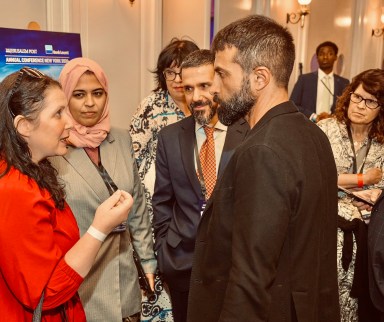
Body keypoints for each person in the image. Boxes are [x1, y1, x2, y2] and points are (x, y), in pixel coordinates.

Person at [187, 15, 340, 322]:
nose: (213, 88)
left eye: (221, 74)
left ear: (259, 78)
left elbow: (250, 280)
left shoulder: (262, 150)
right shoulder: (315, 135)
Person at [0, 66, 133, 321]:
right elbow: (46, 293)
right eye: (58, 113)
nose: (70, 122)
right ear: (25, 126)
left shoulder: (36, 171)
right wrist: (99, 228)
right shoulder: (15, 189)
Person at [49, 58, 156, 322]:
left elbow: (138, 207)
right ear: (64, 99)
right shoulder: (52, 149)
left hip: (126, 281)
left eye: (97, 93)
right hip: (83, 287)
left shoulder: (119, 138)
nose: (89, 103)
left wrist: (148, 262)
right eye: (78, 94)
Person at [152, 49, 249, 322]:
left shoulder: (249, 133)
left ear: (220, 82)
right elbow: (162, 201)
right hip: (183, 264)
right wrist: (164, 250)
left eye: (204, 86)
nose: (196, 97)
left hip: (234, 267)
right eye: (188, 88)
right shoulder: (169, 138)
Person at [129, 37, 199, 321]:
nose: (176, 79)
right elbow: (132, 157)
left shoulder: (205, 105)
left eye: (182, 71)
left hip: (193, 204)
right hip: (156, 204)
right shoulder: (151, 106)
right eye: (170, 72)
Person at [317, 68, 384, 322]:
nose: (360, 106)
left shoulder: (381, 141)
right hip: (328, 232)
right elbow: (316, 176)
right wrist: (363, 180)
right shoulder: (325, 130)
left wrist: (374, 195)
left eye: (370, 101)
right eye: (357, 97)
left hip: (369, 236)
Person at [290, 41, 350, 121]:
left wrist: (333, 118)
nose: (325, 57)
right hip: (308, 125)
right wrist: (314, 117)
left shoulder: (344, 83)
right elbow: (292, 104)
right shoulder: (304, 79)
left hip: (334, 128)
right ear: (317, 58)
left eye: (330, 54)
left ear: (335, 57)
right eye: (321, 54)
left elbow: (346, 107)